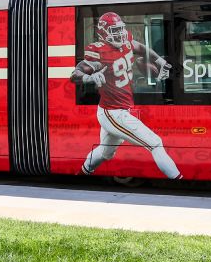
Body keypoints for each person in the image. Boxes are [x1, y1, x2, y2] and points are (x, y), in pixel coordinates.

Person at [70, 12, 181, 179]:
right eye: (114, 30)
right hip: (113, 112)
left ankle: (81, 174)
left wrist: (160, 61)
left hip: (118, 110)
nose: (120, 34)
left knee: (106, 153)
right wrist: (89, 77)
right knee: (155, 143)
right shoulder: (99, 52)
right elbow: (75, 73)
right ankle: (178, 180)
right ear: (104, 32)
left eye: (121, 29)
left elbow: (140, 47)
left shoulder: (126, 44)